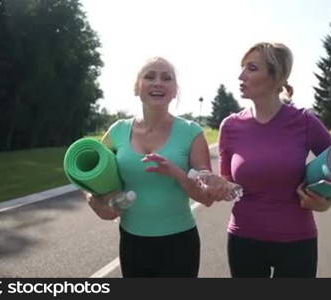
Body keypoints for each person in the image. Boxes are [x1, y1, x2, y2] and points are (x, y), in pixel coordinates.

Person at [84, 56, 225, 278]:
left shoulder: (191, 132)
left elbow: (206, 198)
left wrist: (177, 173)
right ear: (136, 87)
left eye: (166, 78)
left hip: (179, 244)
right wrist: (94, 200)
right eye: (149, 76)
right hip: (132, 242)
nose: (158, 82)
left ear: (174, 90)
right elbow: (89, 177)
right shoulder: (118, 131)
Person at [218, 42, 331, 278]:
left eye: (251, 68)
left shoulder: (305, 121)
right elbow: (227, 181)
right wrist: (220, 187)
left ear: (276, 77)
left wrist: (328, 202)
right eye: (242, 67)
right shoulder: (230, 126)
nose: (241, 75)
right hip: (243, 239)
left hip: (297, 242)